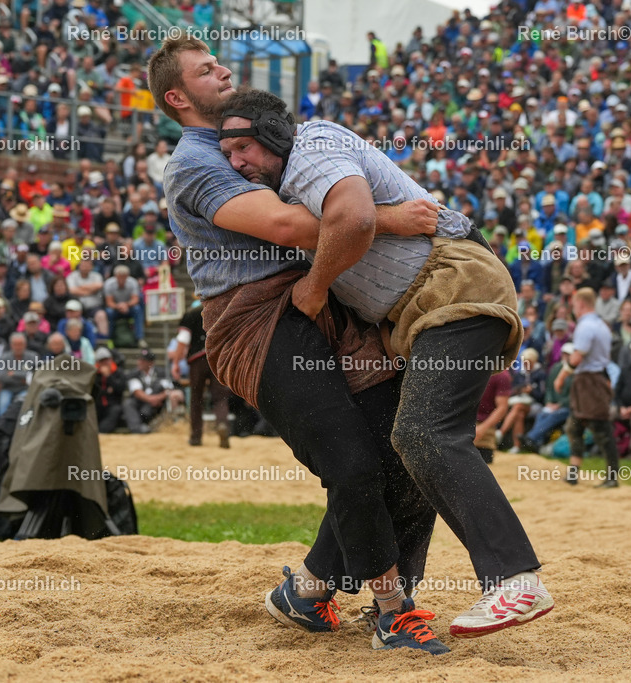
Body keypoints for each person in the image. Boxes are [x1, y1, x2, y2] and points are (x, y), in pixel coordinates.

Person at [216, 87, 553, 638]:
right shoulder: (292, 187)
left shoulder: (311, 149)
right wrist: (392, 217)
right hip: (422, 311)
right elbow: (352, 220)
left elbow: (350, 221)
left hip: (452, 288)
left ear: (275, 135)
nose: (237, 163)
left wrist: (315, 288)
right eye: (228, 155)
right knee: (403, 444)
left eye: (245, 148)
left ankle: (516, 579)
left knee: (424, 436)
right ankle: (316, 586)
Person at [150, 37, 449, 652]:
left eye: (220, 62)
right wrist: (385, 217)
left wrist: (358, 216)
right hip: (254, 320)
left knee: (411, 444)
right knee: (352, 461)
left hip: (316, 299)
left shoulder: (264, 136)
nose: (223, 70)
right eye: (206, 70)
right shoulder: (195, 160)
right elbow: (287, 225)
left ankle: (309, 590)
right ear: (177, 98)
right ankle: (394, 611)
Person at [559, 288, 619, 486]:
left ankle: (612, 477)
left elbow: (577, 356)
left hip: (590, 380)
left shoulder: (585, 326)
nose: (573, 309)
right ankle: (573, 472)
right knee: (574, 426)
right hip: (593, 378)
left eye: (574, 305)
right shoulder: (601, 324)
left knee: (601, 428)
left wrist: (561, 376)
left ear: (581, 304)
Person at [170, 301, 231, 448]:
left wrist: (176, 362)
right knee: (220, 397)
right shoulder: (220, 309)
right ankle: (222, 425)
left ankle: (196, 437)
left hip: (197, 360)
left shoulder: (191, 313)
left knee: (196, 398)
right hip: (217, 359)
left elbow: (183, 340)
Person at [124, 348, 184, 433]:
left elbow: (169, 389)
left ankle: (167, 424)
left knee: (172, 394)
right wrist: (151, 399)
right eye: (139, 360)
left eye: (143, 360)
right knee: (128, 403)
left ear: (150, 363)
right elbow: (136, 391)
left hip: (157, 405)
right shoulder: (134, 374)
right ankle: (137, 428)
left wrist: (159, 398)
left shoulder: (161, 373)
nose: (140, 362)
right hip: (141, 404)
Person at [92, 346, 129, 432]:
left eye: (107, 360)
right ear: (98, 362)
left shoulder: (118, 372)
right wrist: (107, 391)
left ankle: (102, 431)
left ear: (111, 359)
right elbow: (93, 390)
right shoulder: (94, 374)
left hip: (113, 405)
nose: (105, 363)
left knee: (115, 411)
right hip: (98, 405)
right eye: (102, 361)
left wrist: (109, 377)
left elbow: (120, 388)